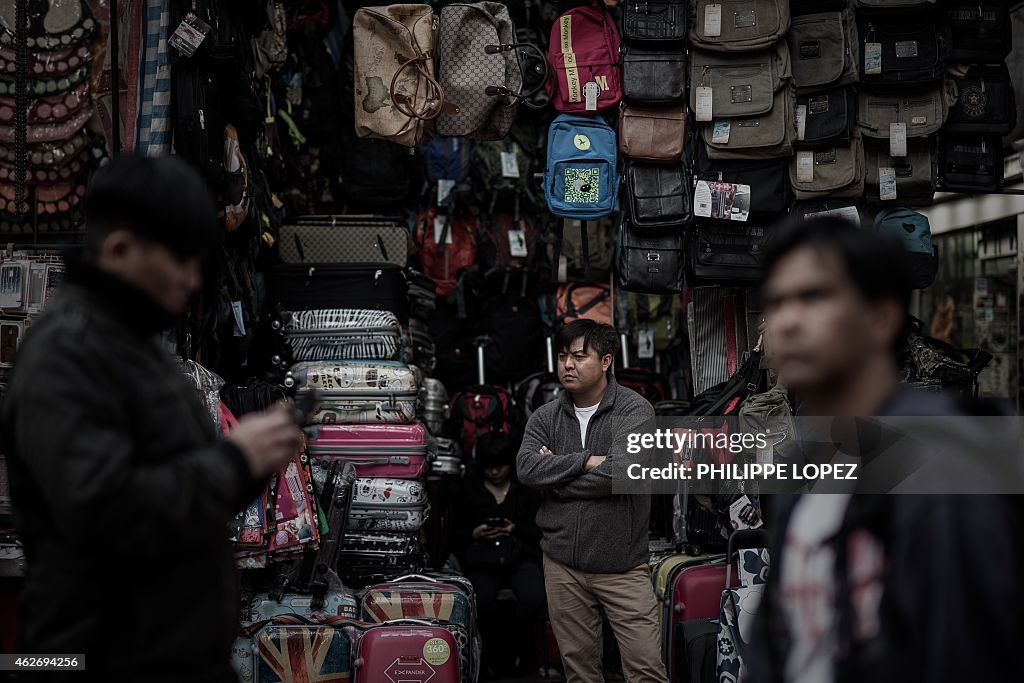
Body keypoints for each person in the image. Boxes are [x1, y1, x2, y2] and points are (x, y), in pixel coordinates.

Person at [0, 155, 300, 681]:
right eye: (180, 260)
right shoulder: (67, 354)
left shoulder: (129, 344)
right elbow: (107, 511)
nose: (191, 280)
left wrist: (253, 460)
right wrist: (234, 459)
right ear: (120, 250)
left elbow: (175, 492)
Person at [750, 216, 1023, 683]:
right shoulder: (805, 469)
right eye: (776, 302)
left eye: (815, 297)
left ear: (881, 317)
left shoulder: (941, 475)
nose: (788, 321)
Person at [516, 320, 667, 683]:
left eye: (580, 356)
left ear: (606, 361)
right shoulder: (545, 416)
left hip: (623, 567)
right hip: (562, 564)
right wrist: (585, 460)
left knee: (646, 669)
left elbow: (623, 472)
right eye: (563, 356)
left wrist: (557, 479)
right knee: (580, 674)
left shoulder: (635, 411)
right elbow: (526, 469)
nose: (568, 364)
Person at [455, 431, 545, 679]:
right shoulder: (469, 489)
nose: (495, 472)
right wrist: (476, 532)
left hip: (520, 556)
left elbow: (541, 531)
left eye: (500, 466)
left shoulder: (526, 489)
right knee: (480, 603)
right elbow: (454, 532)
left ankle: (524, 659)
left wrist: (514, 529)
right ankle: (491, 659)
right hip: (481, 559)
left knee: (534, 597)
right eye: (489, 467)